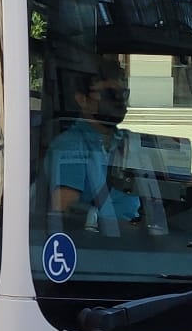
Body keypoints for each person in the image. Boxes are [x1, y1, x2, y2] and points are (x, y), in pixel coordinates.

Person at [45, 62, 143, 236]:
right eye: (110, 94)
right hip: (98, 249)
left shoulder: (129, 141)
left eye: (123, 93)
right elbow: (68, 219)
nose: (120, 100)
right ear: (82, 99)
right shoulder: (71, 146)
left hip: (135, 245)